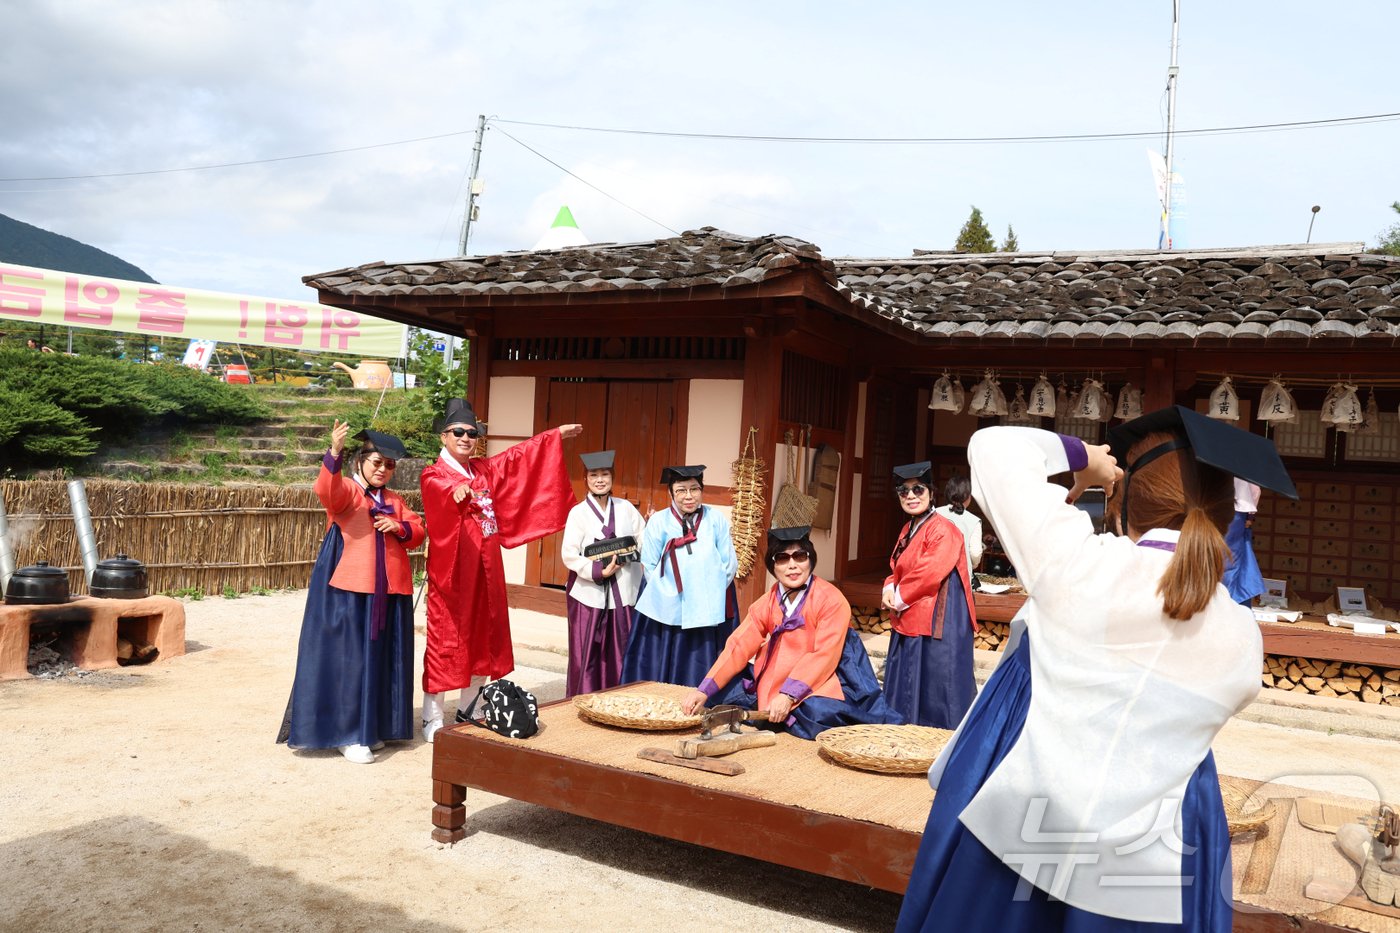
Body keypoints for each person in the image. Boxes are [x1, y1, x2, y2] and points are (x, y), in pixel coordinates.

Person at [896, 407, 1297, 931]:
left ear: (1127, 498)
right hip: (1154, 839)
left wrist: (1089, 459)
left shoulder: (1083, 567)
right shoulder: (1242, 633)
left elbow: (992, 448)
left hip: (1035, 813)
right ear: (1224, 513)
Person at [419, 398, 582, 742]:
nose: (466, 438)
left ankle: (471, 707)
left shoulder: (481, 470)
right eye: (458, 432)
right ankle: (432, 717)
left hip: (487, 567)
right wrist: (455, 490)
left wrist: (552, 437)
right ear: (444, 438)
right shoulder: (434, 473)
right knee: (447, 639)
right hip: (454, 574)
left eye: (471, 433)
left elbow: (516, 458)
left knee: (482, 636)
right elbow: (438, 490)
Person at [277, 423, 425, 764]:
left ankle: (371, 729)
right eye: (376, 462)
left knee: (381, 661)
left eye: (389, 465)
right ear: (360, 461)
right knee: (351, 661)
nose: (382, 470)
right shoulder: (347, 491)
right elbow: (326, 490)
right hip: (350, 591)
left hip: (389, 592)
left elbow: (418, 530)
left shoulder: (393, 500)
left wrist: (399, 526)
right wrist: (334, 452)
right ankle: (346, 733)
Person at [680, 526, 904, 738]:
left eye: (800, 556)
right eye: (783, 558)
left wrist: (788, 695)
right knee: (718, 695)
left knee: (819, 713)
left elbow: (823, 655)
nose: (792, 566)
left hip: (829, 673)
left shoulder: (832, 599)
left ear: (810, 560)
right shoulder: (767, 601)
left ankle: (786, 708)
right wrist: (704, 690)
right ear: (773, 565)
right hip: (777, 672)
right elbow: (738, 645)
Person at [621, 465, 739, 687]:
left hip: (707, 603)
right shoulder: (659, 522)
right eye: (681, 490)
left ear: (702, 491)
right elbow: (650, 564)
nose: (688, 496)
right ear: (671, 493)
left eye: (694, 489)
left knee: (702, 656)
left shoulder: (716, 519)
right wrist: (671, 595)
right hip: (668, 603)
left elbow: (728, 562)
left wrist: (708, 593)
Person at [881, 461, 978, 728]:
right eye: (903, 491)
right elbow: (896, 566)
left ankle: (940, 741)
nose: (911, 496)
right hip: (913, 607)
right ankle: (905, 731)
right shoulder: (908, 528)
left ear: (932, 493)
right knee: (911, 676)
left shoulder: (944, 529)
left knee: (939, 681)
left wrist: (900, 595)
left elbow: (929, 571)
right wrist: (890, 586)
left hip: (941, 616)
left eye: (918, 489)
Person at [559, 449, 645, 696]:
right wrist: (599, 570)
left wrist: (631, 553)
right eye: (594, 475)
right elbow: (569, 554)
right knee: (588, 653)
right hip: (589, 594)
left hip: (624, 592)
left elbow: (643, 538)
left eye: (605, 474)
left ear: (612, 477)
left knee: (622, 648)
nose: (600, 480)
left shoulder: (626, 508)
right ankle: (583, 699)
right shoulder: (577, 513)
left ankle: (620, 698)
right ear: (585, 479)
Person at [934, 474, 984, 591]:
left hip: (933, 576)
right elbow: (975, 553)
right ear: (968, 497)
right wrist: (973, 564)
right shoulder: (974, 521)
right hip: (960, 579)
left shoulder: (933, 514)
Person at [1223, 478, 1265, 605]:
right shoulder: (1243, 459)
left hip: (1207, 504)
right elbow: (1255, 489)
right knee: (1230, 562)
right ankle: (1229, 604)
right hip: (1238, 506)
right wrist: (1250, 516)